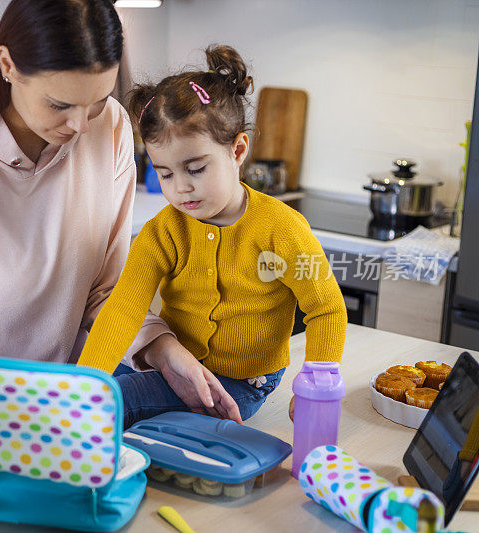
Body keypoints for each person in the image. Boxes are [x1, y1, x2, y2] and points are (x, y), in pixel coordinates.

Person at [0, 0, 241, 480]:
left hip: (59, 422)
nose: (79, 125)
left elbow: (105, 292)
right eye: (60, 104)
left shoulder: (111, 127)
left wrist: (161, 349)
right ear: (8, 66)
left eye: (95, 100)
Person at [77, 45, 348, 423]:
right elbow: (123, 309)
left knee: (110, 405)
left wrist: (317, 381)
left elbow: (326, 308)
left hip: (241, 382)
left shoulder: (282, 229)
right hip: (176, 366)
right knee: (90, 394)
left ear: (237, 150)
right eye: (166, 174)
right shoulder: (162, 232)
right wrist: (85, 382)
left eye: (196, 169)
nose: (180, 188)